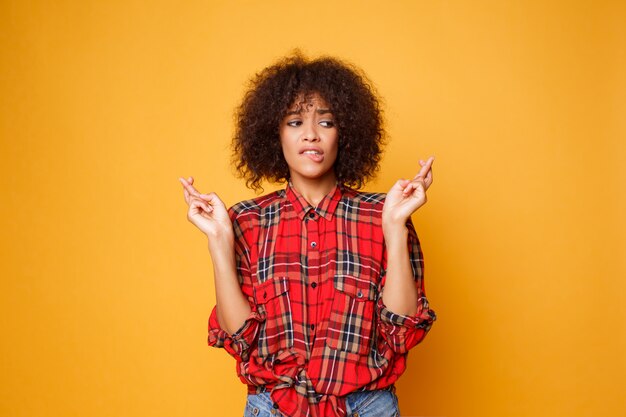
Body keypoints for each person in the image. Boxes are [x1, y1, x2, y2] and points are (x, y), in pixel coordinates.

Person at [179, 52, 436, 417]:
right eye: (296, 121)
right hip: (274, 407)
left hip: (367, 407)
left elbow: (401, 331)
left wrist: (394, 228)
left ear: (344, 133)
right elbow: (240, 339)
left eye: (326, 122)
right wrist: (219, 242)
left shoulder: (383, 214)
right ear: (274, 132)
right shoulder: (247, 222)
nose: (311, 134)